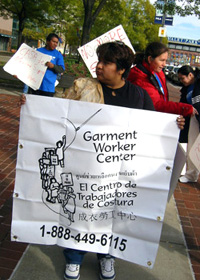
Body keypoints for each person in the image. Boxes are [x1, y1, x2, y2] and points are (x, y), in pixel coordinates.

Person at [20, 41, 185, 280]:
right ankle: (74, 257)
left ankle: (107, 256)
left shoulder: (137, 95)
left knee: (113, 216)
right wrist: (32, 107)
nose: (98, 66)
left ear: (121, 69)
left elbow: (152, 129)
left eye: (106, 62)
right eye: (99, 61)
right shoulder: (82, 87)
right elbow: (57, 117)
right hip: (82, 170)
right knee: (80, 211)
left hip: (119, 174)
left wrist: (173, 125)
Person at [127, 42, 198, 119]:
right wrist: (184, 108)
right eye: (162, 60)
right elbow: (156, 104)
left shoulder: (157, 71)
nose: (164, 64)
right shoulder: (141, 78)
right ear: (150, 59)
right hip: (145, 118)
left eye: (166, 60)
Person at [178, 65, 200, 183]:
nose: (181, 81)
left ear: (190, 75)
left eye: (182, 78)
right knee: (192, 146)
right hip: (194, 117)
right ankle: (191, 174)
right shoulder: (186, 88)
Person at [29, 33, 65, 97]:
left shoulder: (58, 55)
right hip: (35, 85)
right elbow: (29, 65)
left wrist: (53, 66)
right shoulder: (38, 51)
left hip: (48, 88)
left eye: (57, 42)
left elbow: (61, 69)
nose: (55, 44)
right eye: (53, 41)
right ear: (48, 41)